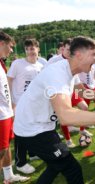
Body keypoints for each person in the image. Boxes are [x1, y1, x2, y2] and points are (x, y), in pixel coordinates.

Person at [13, 36, 95, 184]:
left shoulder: (70, 70)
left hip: (41, 126)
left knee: (55, 166)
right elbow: (66, 116)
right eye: (93, 54)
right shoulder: (57, 74)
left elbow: (84, 92)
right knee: (72, 169)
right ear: (79, 55)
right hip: (32, 130)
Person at [7, 38, 44, 175]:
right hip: (19, 105)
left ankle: (33, 153)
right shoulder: (18, 63)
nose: (30, 51)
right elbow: (9, 81)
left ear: (38, 49)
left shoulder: (41, 65)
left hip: (34, 105)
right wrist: (11, 101)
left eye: (33, 48)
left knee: (33, 130)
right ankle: (20, 162)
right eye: (28, 49)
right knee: (20, 133)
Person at [0, 31, 30, 183]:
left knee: (6, 146)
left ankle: (8, 175)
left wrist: (11, 105)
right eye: (10, 46)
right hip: (0, 115)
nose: (11, 50)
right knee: (2, 149)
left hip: (6, 112)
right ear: (1, 43)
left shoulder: (1, 62)